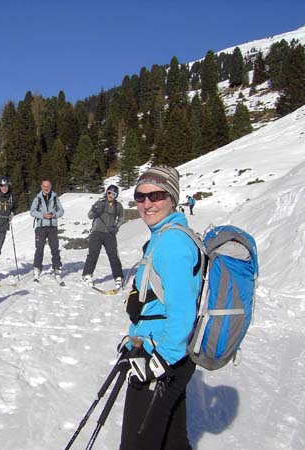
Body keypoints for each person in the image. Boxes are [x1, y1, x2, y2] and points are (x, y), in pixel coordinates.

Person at [119, 165, 201, 450]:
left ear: (172, 197)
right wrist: (134, 337)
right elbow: (157, 300)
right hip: (160, 350)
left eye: (156, 195)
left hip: (161, 356)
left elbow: (182, 310)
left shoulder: (173, 242)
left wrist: (160, 361)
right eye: (140, 197)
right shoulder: (162, 236)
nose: (147, 203)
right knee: (172, 441)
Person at [81, 184, 125, 290]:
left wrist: (116, 227)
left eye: (113, 194)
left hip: (110, 234)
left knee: (113, 255)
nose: (110, 195)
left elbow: (122, 217)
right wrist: (95, 211)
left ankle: (118, 277)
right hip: (97, 232)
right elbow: (90, 215)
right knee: (93, 254)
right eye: (109, 193)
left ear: (116, 195)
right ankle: (87, 275)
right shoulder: (100, 202)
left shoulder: (118, 206)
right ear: (106, 192)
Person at [30, 179, 65, 284]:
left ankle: (57, 269)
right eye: (44, 186)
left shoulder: (55, 197)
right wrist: (43, 216)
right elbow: (32, 212)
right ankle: (37, 269)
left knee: (55, 248)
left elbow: (61, 211)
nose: (46, 188)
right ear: (41, 187)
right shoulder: (38, 198)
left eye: (48, 186)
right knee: (39, 249)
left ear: (50, 187)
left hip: (52, 227)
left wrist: (54, 215)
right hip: (41, 227)